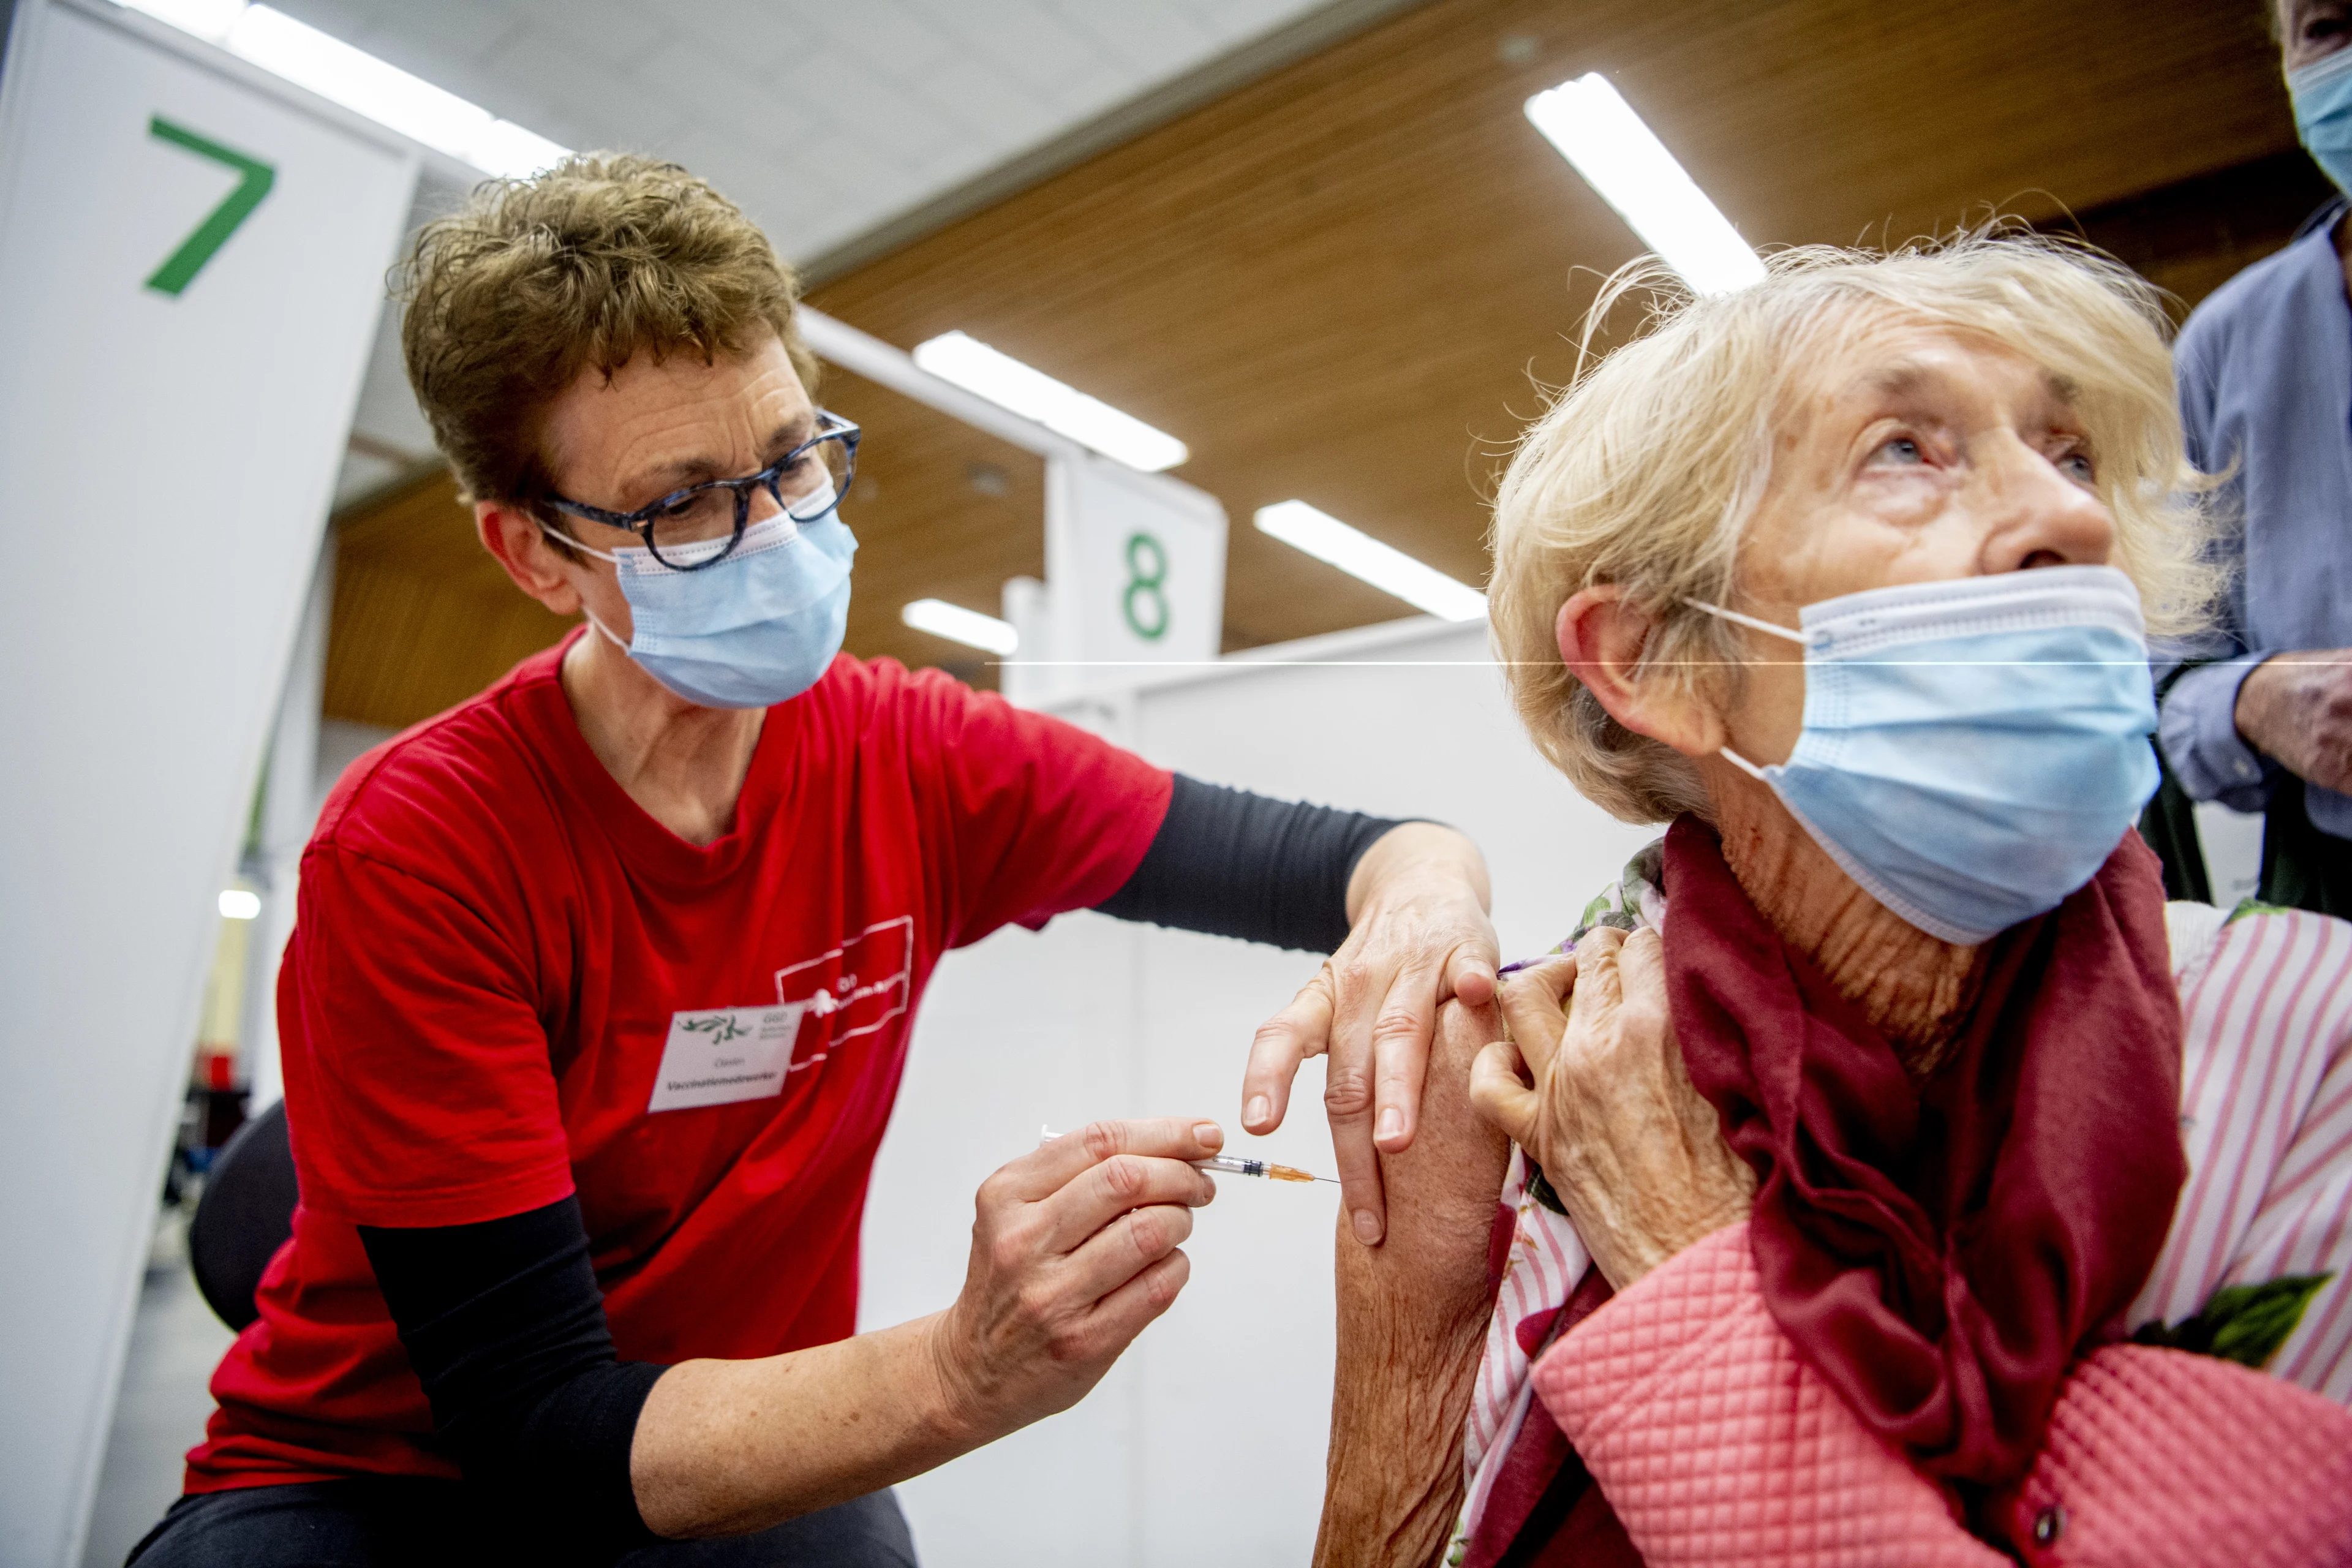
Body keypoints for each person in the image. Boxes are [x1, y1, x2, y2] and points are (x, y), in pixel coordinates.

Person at [129, 154, 1498, 1567]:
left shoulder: (905, 756)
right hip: (387, 1479)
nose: (777, 532)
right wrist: (961, 1368)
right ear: (536, 555)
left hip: (726, 1427)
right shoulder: (424, 848)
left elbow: (1339, 855)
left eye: (792, 458)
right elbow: (539, 1429)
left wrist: (1425, 895)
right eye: (686, 503)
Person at [1312, 237, 2352, 1567]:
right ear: (1659, 660)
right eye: (1905, 450)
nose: (2078, 521)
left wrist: (1695, 1264)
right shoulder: (1535, 1053)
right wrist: (1399, 1354)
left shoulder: (2308, 1043)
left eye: (2070, 454)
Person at [2150, 0, 2352, 914]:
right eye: (2329, 26)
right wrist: (2258, 699)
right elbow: (2167, 672)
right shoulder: (2228, 345)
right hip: (2329, 871)